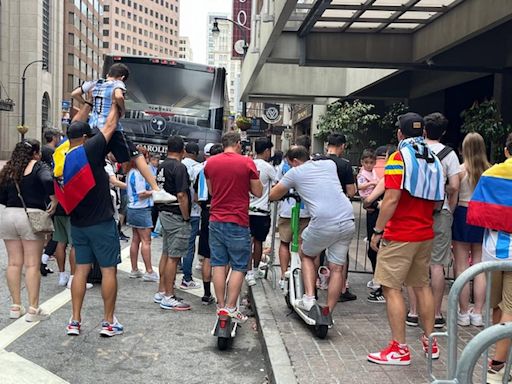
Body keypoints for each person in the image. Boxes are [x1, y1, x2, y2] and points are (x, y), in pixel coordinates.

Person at [367, 112, 444, 366]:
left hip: (400, 234)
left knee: (390, 287)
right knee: (421, 286)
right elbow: (438, 199)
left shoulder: (398, 158)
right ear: (422, 133)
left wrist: (378, 231)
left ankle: (399, 348)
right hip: (425, 232)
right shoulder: (433, 158)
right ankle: (430, 339)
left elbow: (391, 199)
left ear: (400, 134)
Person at [70, 63, 174, 205]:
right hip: (112, 128)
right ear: (123, 77)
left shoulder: (96, 83)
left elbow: (74, 93)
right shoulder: (118, 83)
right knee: (136, 156)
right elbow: (119, 96)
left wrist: (89, 102)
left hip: (93, 128)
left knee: (96, 160)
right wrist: (122, 110)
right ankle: (156, 190)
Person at [62, 101, 123, 337]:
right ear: (87, 137)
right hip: (101, 223)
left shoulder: (65, 154)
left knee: (80, 272)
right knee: (109, 271)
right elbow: (110, 125)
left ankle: (75, 321)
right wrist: (115, 98)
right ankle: (108, 322)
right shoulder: (90, 150)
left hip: (79, 224)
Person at [270, 145, 355, 313]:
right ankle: (328, 311)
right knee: (337, 268)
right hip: (347, 218)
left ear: (294, 161)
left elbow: (273, 195)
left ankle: (309, 298)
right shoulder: (329, 165)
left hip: (323, 221)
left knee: (306, 254)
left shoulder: (294, 172)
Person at [406, 112, 461, 329]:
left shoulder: (414, 150)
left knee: (414, 263)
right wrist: (450, 206)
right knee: (437, 264)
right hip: (441, 211)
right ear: (444, 131)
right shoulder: (450, 154)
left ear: (425, 131)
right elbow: (455, 186)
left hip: (416, 212)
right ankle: (436, 314)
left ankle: (413, 311)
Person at [467, 133, 512, 383]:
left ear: (506, 150)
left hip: (493, 249)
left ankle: (497, 360)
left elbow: (476, 212)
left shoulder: (491, 174)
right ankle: (498, 364)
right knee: (511, 308)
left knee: (496, 306)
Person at [205, 132, 263, 322]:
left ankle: (220, 306)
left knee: (219, 264)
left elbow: (212, 191)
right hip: (238, 220)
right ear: (238, 144)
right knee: (239, 265)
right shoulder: (247, 162)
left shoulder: (211, 163)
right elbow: (257, 191)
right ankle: (231, 307)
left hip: (215, 219)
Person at [0, 139, 57, 321]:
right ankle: (33, 308)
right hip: (31, 216)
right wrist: (53, 199)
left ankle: (15, 306)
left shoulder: (9, 168)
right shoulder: (38, 166)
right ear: (35, 152)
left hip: (9, 215)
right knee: (32, 264)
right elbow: (48, 180)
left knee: (13, 263)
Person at [452, 132, 490, 327]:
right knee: (479, 264)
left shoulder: (459, 171)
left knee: (461, 265)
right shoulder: (490, 171)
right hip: (482, 216)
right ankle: (478, 313)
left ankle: (464, 311)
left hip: (462, 214)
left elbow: (454, 197)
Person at [153, 136, 192, 311]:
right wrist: (186, 216)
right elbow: (182, 195)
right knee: (174, 257)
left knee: (167, 253)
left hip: (164, 212)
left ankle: (162, 290)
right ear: (182, 150)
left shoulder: (161, 166)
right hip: (176, 213)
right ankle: (169, 295)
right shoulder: (179, 167)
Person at [324, 133, 357, 302]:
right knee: (341, 254)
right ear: (342, 146)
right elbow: (351, 191)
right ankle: (342, 288)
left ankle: (315, 286)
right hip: (341, 214)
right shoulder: (344, 165)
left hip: (320, 212)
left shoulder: (317, 161)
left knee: (316, 252)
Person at [194, 143, 223, 304]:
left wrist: (205, 207)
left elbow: (196, 196)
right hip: (221, 212)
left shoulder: (202, 172)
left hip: (206, 212)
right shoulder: (223, 170)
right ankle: (222, 298)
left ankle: (206, 294)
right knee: (221, 256)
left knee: (206, 255)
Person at [247, 138, 277, 286]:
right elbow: (278, 184)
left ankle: (248, 273)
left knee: (248, 242)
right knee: (258, 241)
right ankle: (256, 268)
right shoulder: (268, 167)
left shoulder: (248, 163)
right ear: (266, 151)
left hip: (246, 210)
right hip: (261, 211)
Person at [126, 150, 158, 282]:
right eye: (146, 157)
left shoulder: (130, 172)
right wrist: (155, 191)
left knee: (135, 239)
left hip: (132, 208)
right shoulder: (139, 173)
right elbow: (141, 193)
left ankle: (134, 269)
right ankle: (149, 271)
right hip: (141, 208)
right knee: (146, 241)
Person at [40, 128, 62, 276]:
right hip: (52, 194)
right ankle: (44, 258)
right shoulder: (52, 152)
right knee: (55, 231)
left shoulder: (43, 151)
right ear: (54, 137)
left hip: (42, 194)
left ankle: (43, 257)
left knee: (46, 230)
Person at [181, 142, 202, 289]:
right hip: (193, 212)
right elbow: (198, 195)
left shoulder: (178, 165)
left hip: (176, 210)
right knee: (189, 246)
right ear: (196, 153)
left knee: (172, 245)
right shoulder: (198, 168)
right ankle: (187, 278)